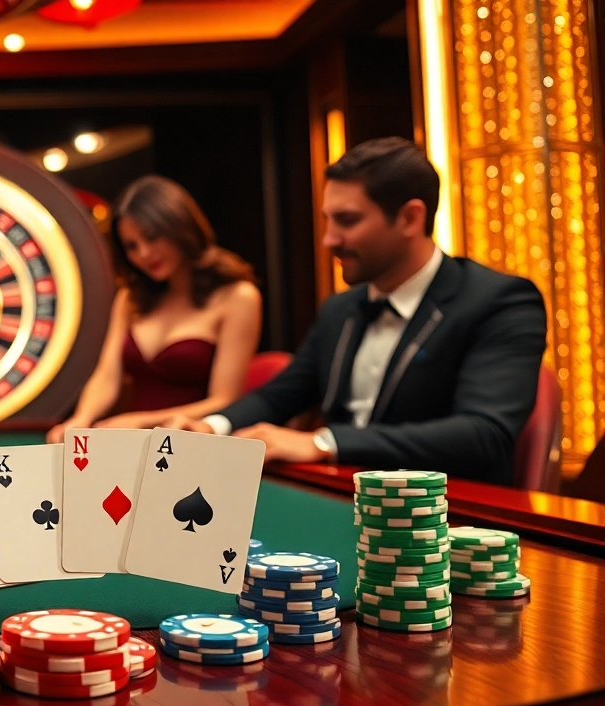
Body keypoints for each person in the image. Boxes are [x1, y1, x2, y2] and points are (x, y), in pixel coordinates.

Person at [160, 137, 547, 486]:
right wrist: (211, 427)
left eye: (347, 221)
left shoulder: (500, 301)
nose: (329, 239)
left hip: (444, 520)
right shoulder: (340, 308)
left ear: (411, 218)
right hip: (341, 499)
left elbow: (483, 435)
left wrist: (323, 442)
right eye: (328, 219)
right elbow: (280, 395)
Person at [47, 176, 262, 443]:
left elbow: (225, 400)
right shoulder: (131, 298)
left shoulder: (238, 297)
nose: (144, 253)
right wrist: (81, 419)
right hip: (131, 445)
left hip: (193, 447)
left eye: (151, 237)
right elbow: (107, 375)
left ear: (179, 227)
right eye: (131, 246)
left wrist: (143, 422)